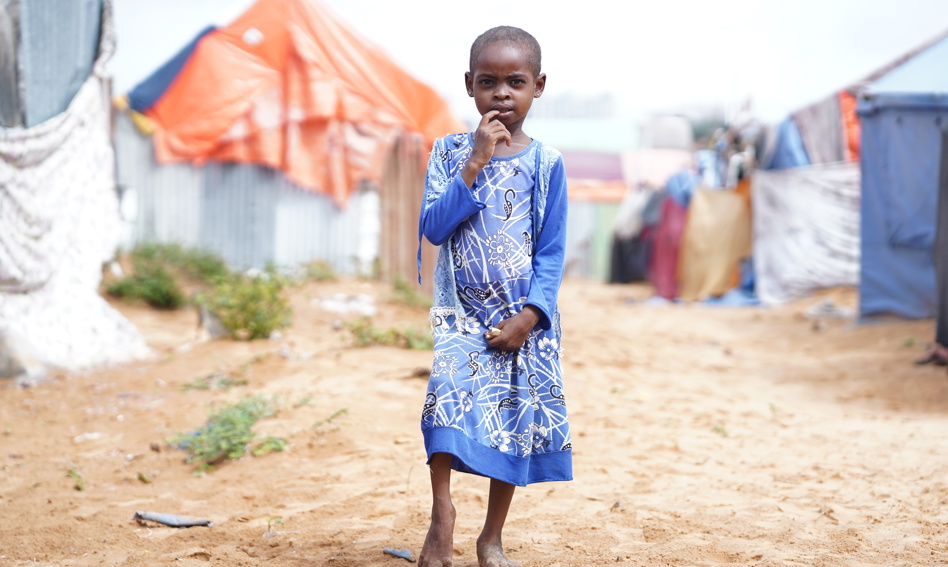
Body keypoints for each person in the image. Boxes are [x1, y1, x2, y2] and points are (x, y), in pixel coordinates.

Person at [416, 25, 572, 567]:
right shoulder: (448, 153)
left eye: (515, 82)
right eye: (488, 82)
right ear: (469, 86)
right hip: (461, 317)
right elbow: (433, 229)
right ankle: (442, 515)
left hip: (519, 320)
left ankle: (492, 536)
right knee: (445, 400)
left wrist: (531, 316)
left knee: (510, 423)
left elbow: (551, 251)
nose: (501, 94)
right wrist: (475, 162)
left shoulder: (547, 164)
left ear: (538, 87)